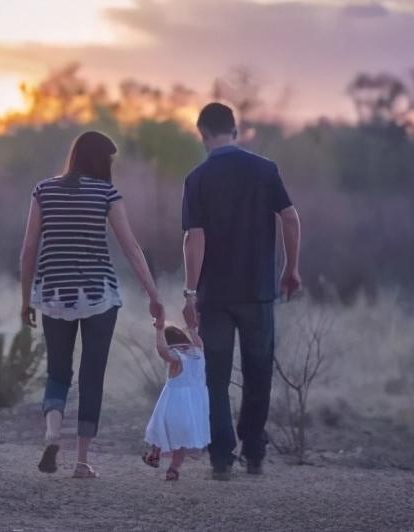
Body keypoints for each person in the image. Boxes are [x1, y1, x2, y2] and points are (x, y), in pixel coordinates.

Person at [19, 131, 165, 479]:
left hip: (53, 293)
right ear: (100, 160)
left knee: (57, 370)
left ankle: (53, 434)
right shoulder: (106, 194)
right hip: (98, 294)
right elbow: (131, 248)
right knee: (92, 374)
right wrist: (154, 294)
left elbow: (28, 250)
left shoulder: (44, 191)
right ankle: (82, 461)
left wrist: (26, 299)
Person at [181, 103, 302, 480]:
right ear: (234, 130)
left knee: (215, 376)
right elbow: (290, 216)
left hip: (214, 295)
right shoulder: (264, 170)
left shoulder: (197, 178)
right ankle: (253, 451)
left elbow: (194, 238)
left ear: (203, 133)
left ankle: (221, 457)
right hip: (258, 290)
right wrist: (290, 268)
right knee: (258, 371)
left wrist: (189, 292)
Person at [142, 324, 210, 481]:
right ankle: (174, 468)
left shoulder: (176, 356)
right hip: (195, 404)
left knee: (161, 427)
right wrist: (192, 328)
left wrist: (159, 330)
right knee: (183, 439)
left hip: (174, 401)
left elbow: (162, 351)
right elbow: (197, 339)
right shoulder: (199, 350)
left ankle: (154, 455)